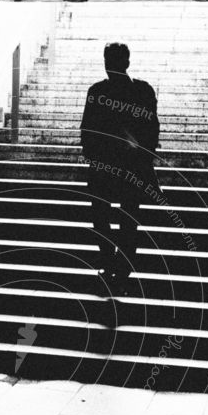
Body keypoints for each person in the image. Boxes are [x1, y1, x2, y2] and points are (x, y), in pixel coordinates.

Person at [80, 43, 161, 297]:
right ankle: (122, 268)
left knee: (102, 217)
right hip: (131, 167)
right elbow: (151, 129)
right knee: (129, 219)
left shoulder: (98, 91)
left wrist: (94, 157)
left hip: (104, 166)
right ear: (127, 62)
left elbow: (88, 130)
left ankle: (108, 262)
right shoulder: (143, 90)